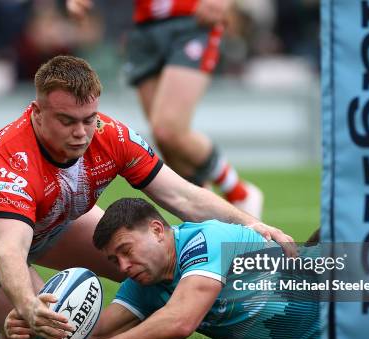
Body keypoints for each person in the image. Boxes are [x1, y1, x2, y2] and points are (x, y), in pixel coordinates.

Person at [0, 55, 296, 339]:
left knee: (135, 264)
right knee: (44, 335)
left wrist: (250, 224)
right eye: (67, 121)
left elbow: (182, 194)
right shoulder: (13, 167)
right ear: (36, 113)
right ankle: (0, 325)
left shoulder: (111, 135)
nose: (81, 133)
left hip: (51, 215)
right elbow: (8, 250)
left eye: (89, 119)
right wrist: (26, 304)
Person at [4, 198, 319, 339]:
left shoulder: (207, 239)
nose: (123, 266)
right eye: (114, 260)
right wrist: (34, 324)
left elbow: (180, 321)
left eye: (126, 250)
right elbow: (96, 332)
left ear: (157, 230)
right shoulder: (146, 282)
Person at [66, 0, 264, 218]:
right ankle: (210, 217)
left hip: (191, 19)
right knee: (166, 142)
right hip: (145, 27)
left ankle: (238, 192)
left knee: (168, 130)